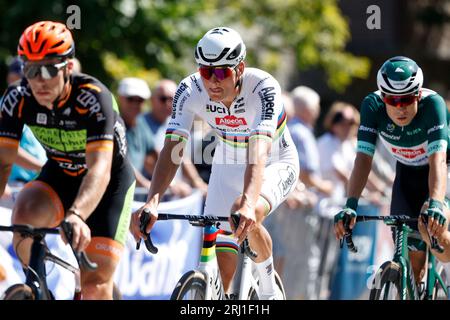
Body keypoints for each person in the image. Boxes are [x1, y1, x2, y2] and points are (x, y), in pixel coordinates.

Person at [130, 27, 299, 299]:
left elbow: (258, 153)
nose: (212, 81)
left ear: (240, 68)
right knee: (221, 257)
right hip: (227, 160)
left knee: (246, 212)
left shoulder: (264, 87)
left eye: (221, 72)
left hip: (273, 161)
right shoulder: (188, 89)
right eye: (205, 72)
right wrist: (153, 200)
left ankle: (269, 291)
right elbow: (173, 147)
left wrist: (246, 202)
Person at [0, 21, 136, 299]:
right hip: (60, 173)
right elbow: (3, 161)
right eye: (30, 69)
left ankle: (81, 285)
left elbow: (99, 169)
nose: (39, 79)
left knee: (95, 286)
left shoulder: (94, 98)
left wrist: (77, 215)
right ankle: (43, 285)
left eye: (49, 69)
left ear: (69, 68)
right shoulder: (17, 98)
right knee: (24, 214)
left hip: (107, 184)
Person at [333, 56, 450, 283]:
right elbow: (363, 160)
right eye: (392, 100)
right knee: (414, 265)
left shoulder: (433, 105)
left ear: (417, 94)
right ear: (382, 96)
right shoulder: (372, 106)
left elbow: (437, 160)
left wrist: (435, 202)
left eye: (406, 99)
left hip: (442, 168)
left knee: (430, 226)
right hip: (407, 174)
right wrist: (350, 205)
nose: (400, 108)